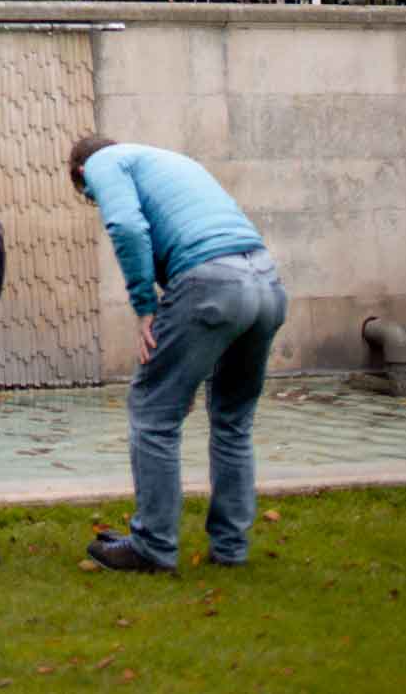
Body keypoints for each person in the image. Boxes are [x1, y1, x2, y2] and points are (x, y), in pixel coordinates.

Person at [69, 134, 287, 573]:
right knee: (232, 418)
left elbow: (128, 227)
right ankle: (230, 548)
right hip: (265, 282)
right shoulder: (169, 160)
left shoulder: (103, 163)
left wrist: (145, 307)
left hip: (213, 283)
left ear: (79, 174)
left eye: (88, 197)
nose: (95, 198)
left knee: (152, 412)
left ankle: (151, 546)